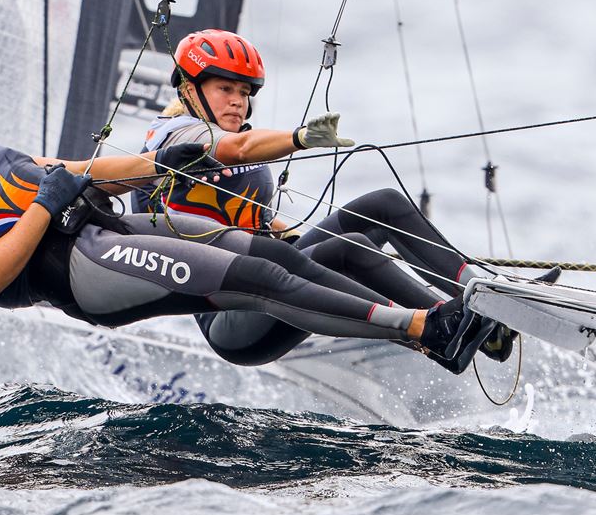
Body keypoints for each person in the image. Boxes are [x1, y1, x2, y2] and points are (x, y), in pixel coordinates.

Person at [0, 47, 493, 369]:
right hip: (77, 269)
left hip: (98, 228)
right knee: (258, 276)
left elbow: (76, 173)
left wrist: (152, 168)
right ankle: (424, 329)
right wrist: (44, 207)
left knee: (268, 252)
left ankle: (448, 315)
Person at [132, 29, 523, 372]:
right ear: (189, 88)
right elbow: (238, 149)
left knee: (381, 205)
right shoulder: (174, 136)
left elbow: (255, 222)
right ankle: (442, 330)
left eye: (244, 92)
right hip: (234, 319)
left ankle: (482, 298)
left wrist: (293, 233)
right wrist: (300, 139)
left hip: (273, 278)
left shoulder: (229, 133)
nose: (237, 100)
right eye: (225, 89)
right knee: (345, 249)